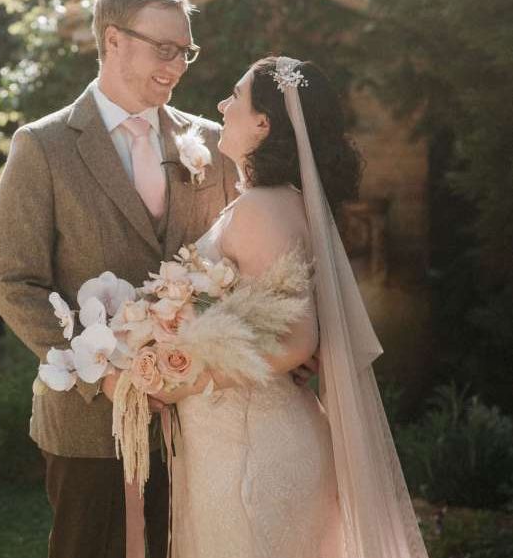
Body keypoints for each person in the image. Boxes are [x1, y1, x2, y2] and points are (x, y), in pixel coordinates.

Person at [0, 0, 238, 558]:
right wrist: (106, 377)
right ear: (113, 40)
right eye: (165, 48)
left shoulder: (212, 143)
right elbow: (14, 283)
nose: (178, 65)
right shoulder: (42, 147)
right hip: (88, 426)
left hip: (199, 421)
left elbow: (238, 265)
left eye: (186, 51)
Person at [153, 56, 429, 558]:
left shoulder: (263, 208)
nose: (220, 105)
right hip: (244, 438)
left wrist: (187, 372)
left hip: (254, 451)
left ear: (264, 122)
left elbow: (296, 340)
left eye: (234, 96)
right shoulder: (279, 200)